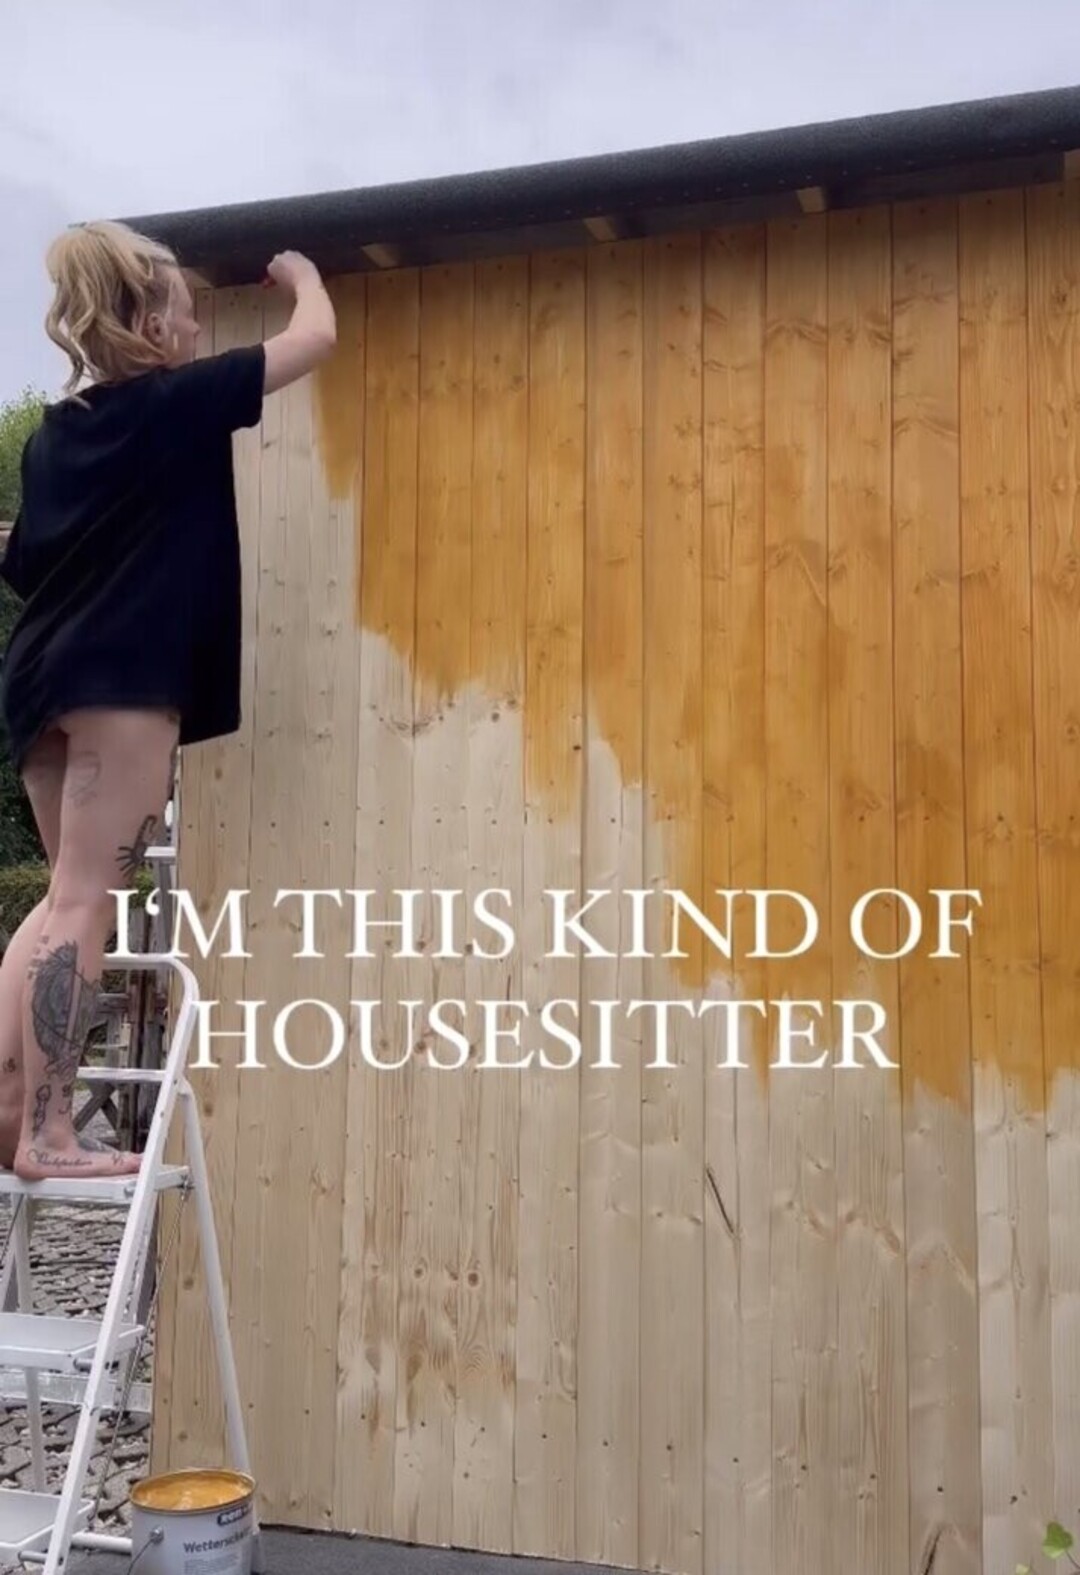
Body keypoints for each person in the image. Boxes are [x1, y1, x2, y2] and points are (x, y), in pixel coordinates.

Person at [0, 220, 336, 1179]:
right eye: (188, 314)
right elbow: (315, 338)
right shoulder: (177, 401)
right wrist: (302, 273)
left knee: (63, 895)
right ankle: (49, 1133)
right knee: (85, 900)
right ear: (150, 324)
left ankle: (10, 1111)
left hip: (41, 676)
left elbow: (29, 558)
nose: (195, 330)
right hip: (123, 679)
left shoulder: (55, 435)